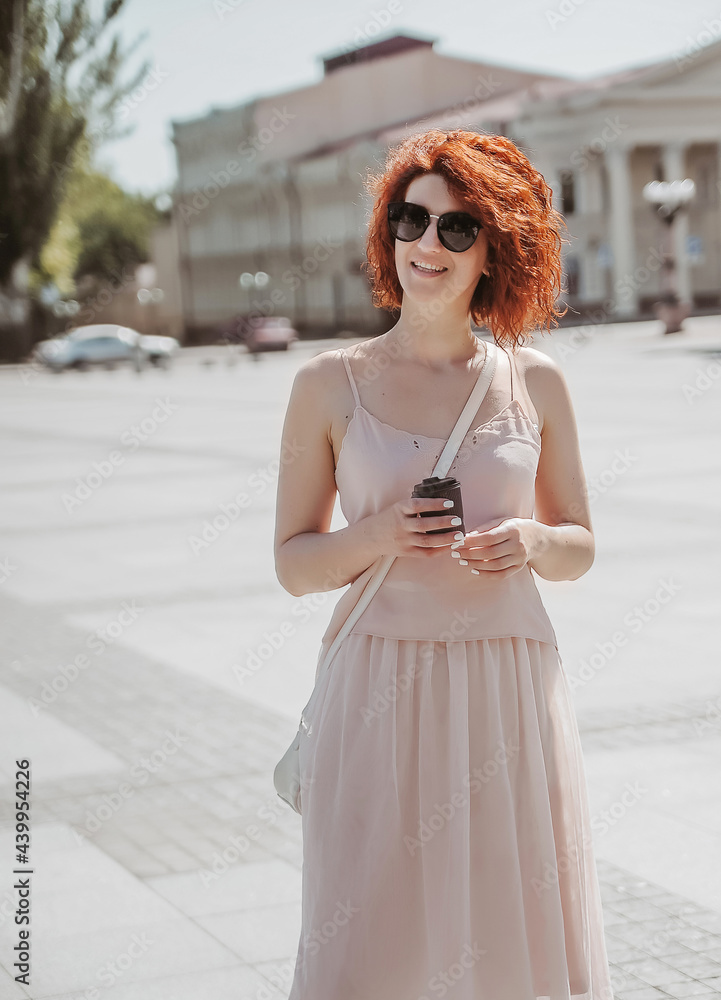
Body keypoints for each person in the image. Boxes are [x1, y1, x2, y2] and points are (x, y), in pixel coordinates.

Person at [273, 129, 614, 1000]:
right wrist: (380, 536)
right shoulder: (326, 384)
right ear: (387, 231)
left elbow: (578, 544)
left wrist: (534, 543)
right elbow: (295, 565)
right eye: (410, 218)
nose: (427, 244)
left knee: (509, 937)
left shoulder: (534, 383)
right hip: (377, 686)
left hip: (508, 689)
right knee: (369, 939)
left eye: (457, 229)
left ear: (497, 247)